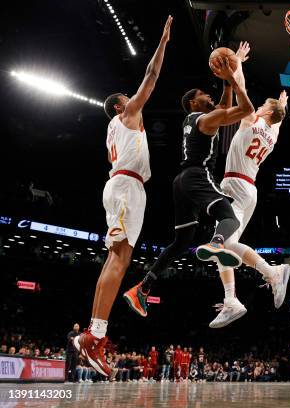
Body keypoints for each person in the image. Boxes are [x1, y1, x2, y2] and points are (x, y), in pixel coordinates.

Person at [72, 16, 173, 377]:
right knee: (120, 260)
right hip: (127, 188)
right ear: (119, 106)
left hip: (121, 187)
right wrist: (162, 43)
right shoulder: (127, 115)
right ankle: (94, 335)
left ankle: (94, 333)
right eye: (127, 99)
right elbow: (151, 77)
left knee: (117, 258)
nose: (133, 100)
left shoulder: (115, 130)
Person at [123, 45, 255, 316]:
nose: (208, 95)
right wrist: (231, 77)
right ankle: (216, 242)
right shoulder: (206, 120)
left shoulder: (196, 119)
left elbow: (225, 108)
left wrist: (228, 80)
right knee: (229, 217)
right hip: (197, 175)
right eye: (203, 94)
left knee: (182, 241)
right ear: (194, 102)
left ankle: (142, 288)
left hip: (180, 182)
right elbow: (246, 109)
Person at [206, 85, 290, 328]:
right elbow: (277, 121)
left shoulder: (252, 120)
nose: (260, 106)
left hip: (235, 185)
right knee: (225, 245)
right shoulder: (272, 135)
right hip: (248, 188)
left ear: (264, 112)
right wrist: (282, 106)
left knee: (222, 244)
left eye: (264, 105)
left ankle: (270, 273)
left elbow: (243, 92)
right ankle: (232, 298)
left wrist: (237, 67)